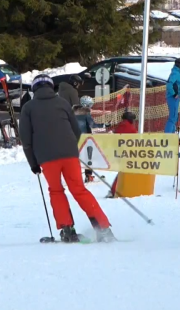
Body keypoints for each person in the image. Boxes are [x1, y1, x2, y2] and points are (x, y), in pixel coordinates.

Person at [20, 74, 114, 242]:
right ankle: (103, 228)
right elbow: (77, 131)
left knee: (56, 191)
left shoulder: (28, 108)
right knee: (79, 189)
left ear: (34, 89)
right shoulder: (62, 103)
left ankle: (67, 229)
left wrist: (33, 164)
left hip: (47, 158)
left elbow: (26, 141)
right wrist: (73, 149)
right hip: (70, 154)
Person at [107, 111, 138, 198]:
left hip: (118, 152)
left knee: (122, 172)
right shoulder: (131, 128)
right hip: (127, 153)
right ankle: (114, 190)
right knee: (123, 173)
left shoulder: (119, 126)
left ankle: (115, 190)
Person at [74, 96, 102, 183]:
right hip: (85, 137)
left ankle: (74, 175)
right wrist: (104, 125)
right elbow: (92, 125)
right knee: (88, 156)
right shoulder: (86, 113)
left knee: (75, 157)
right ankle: (88, 175)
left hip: (73, 137)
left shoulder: (72, 112)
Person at [165, 58, 180, 133]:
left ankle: (172, 135)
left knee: (174, 117)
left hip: (176, 98)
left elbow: (178, 86)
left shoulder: (178, 74)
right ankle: (168, 137)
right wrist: (174, 94)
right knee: (172, 118)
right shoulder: (175, 73)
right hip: (172, 98)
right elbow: (169, 84)